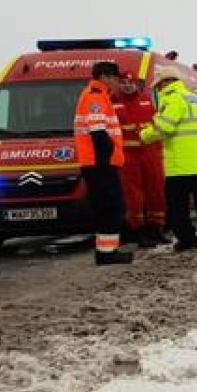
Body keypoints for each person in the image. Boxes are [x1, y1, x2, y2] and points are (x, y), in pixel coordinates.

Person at [139, 66, 197, 251]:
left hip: (181, 164)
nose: (158, 90)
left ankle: (187, 240)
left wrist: (144, 135)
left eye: (158, 86)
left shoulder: (172, 99)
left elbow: (165, 127)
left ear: (165, 83)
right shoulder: (195, 99)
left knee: (178, 207)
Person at [74, 61, 133, 265]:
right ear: (105, 77)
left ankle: (107, 250)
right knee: (110, 206)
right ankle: (106, 253)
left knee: (109, 206)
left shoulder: (98, 95)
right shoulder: (95, 97)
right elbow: (98, 132)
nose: (119, 82)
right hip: (100, 163)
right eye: (117, 78)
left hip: (100, 163)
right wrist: (110, 156)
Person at [113, 72, 169, 248]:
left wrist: (159, 151)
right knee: (134, 195)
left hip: (150, 152)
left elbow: (157, 124)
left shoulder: (146, 100)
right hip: (129, 155)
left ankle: (157, 229)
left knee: (157, 191)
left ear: (137, 84)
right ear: (119, 84)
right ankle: (139, 231)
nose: (128, 85)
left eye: (131, 82)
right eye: (124, 82)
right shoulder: (113, 102)